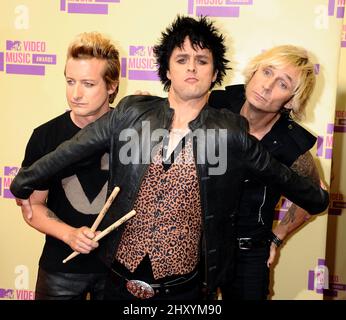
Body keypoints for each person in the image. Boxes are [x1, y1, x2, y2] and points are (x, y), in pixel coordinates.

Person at [10, 16, 328, 300]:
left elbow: (302, 190)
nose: (191, 67)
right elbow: (68, 152)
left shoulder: (230, 131)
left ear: (215, 72)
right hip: (117, 281)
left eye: (202, 60)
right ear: (167, 68)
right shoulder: (133, 113)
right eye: (182, 58)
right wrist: (24, 184)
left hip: (184, 289)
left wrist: (292, 220)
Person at [209, 45, 322, 300]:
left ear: (291, 100)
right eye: (267, 72)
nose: (268, 85)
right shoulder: (214, 105)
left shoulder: (292, 146)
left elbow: (316, 195)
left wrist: (278, 235)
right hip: (200, 244)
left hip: (249, 254)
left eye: (283, 83)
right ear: (253, 72)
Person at [17, 31, 120, 300]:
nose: (75, 94)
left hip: (119, 270)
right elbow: (33, 206)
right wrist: (70, 235)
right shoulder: (46, 136)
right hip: (60, 269)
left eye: (88, 84)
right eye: (70, 81)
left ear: (111, 86)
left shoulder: (134, 133)